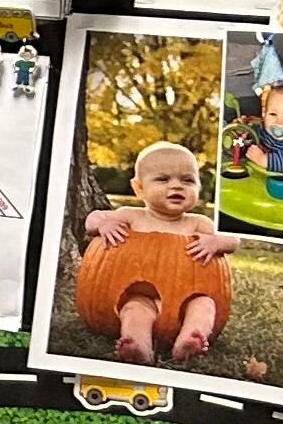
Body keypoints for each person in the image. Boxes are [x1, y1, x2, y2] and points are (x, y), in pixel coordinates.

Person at [74, 140, 236, 362]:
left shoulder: (199, 223)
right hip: (143, 296)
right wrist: (103, 225)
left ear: (198, 187)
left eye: (187, 180)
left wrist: (215, 243)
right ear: (139, 188)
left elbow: (233, 239)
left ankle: (191, 337)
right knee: (133, 309)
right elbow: (93, 218)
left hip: (187, 301)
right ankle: (137, 344)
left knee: (205, 305)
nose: (177, 186)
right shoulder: (131, 216)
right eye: (163, 179)